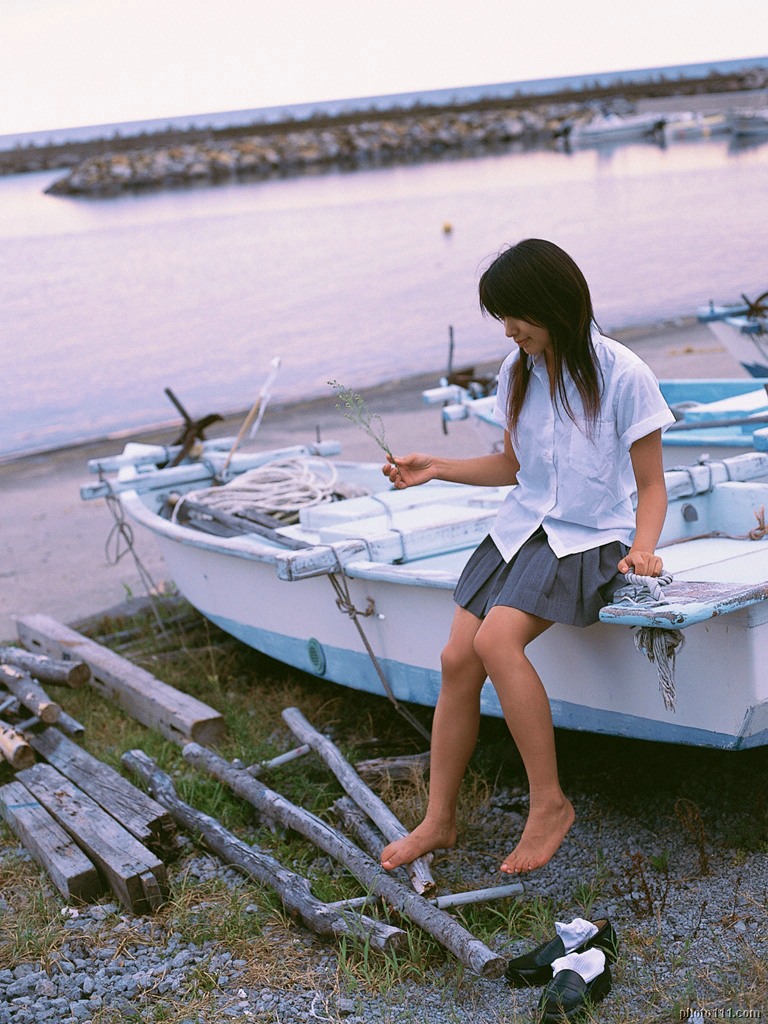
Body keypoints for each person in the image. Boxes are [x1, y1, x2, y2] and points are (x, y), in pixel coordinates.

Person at [379, 238, 674, 876]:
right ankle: (440, 819)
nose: (509, 331)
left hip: (588, 537)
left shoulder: (623, 372)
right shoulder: (518, 371)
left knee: (496, 643)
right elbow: (515, 467)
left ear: (556, 304)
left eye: (518, 316)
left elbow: (651, 485)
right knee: (456, 656)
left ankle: (549, 804)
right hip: (521, 530)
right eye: (501, 318)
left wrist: (644, 549)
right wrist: (437, 467)